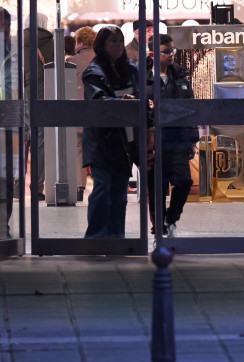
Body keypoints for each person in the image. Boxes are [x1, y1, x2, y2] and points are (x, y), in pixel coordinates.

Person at [82, 26, 139, 239]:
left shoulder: (130, 69)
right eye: (112, 41)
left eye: (119, 40)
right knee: (102, 189)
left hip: (125, 139)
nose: (117, 45)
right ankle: (96, 239)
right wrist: (123, 102)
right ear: (101, 45)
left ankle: (116, 239)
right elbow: (98, 103)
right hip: (101, 140)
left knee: (119, 194)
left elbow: (139, 96)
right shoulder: (94, 71)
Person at [153, 33, 198, 238]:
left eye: (172, 50)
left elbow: (189, 109)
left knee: (184, 181)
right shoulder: (143, 76)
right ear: (153, 53)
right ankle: (159, 227)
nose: (171, 55)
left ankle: (170, 219)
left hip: (178, 138)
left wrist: (191, 140)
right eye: (166, 51)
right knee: (158, 186)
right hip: (154, 139)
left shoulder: (180, 75)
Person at [22, 13, 54, 200]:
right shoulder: (51, 44)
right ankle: (38, 186)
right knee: (41, 142)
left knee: (21, 140)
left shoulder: (16, 42)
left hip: (20, 97)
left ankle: (17, 185)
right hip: (44, 98)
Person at [68, 26, 97, 202]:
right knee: (97, 150)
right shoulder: (101, 60)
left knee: (78, 149)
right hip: (97, 114)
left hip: (77, 113)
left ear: (79, 42)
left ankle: (79, 187)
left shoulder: (71, 61)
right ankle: (99, 184)